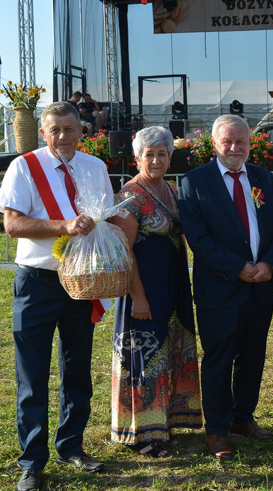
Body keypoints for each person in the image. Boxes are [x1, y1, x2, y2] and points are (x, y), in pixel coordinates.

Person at [0, 102, 111, 491]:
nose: (62, 136)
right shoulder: (24, 167)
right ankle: (31, 461)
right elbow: (12, 224)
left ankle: (71, 446)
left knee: (77, 368)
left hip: (82, 281)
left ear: (82, 131)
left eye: (69, 129)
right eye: (54, 129)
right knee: (33, 373)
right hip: (38, 281)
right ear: (43, 133)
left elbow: (106, 220)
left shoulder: (96, 167)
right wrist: (64, 225)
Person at [178, 115, 273, 461]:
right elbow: (198, 239)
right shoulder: (194, 182)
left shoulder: (262, 179)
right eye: (227, 141)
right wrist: (238, 268)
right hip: (221, 289)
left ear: (250, 144)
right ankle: (218, 431)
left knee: (253, 357)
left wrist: (268, 263)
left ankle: (243, 417)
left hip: (260, 287)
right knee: (219, 360)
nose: (234, 148)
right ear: (214, 144)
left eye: (241, 142)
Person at [110, 126, 202, 458]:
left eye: (162, 153)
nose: (156, 159)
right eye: (149, 154)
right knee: (143, 358)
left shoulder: (173, 191)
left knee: (171, 353)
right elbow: (125, 252)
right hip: (144, 289)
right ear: (137, 158)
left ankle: (166, 421)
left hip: (174, 286)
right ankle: (141, 434)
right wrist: (139, 297)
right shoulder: (129, 196)